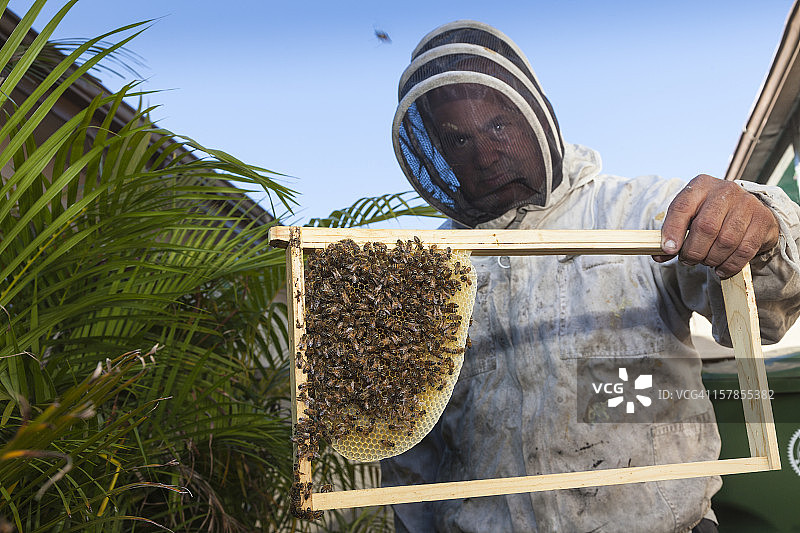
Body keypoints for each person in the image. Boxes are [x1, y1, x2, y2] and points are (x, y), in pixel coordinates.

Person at [381, 20, 800, 533]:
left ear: (535, 116)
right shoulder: (424, 275)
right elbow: (414, 441)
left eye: (496, 127)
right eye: (457, 139)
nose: (484, 154)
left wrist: (759, 229)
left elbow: (765, 309)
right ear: (435, 151)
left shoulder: (637, 210)